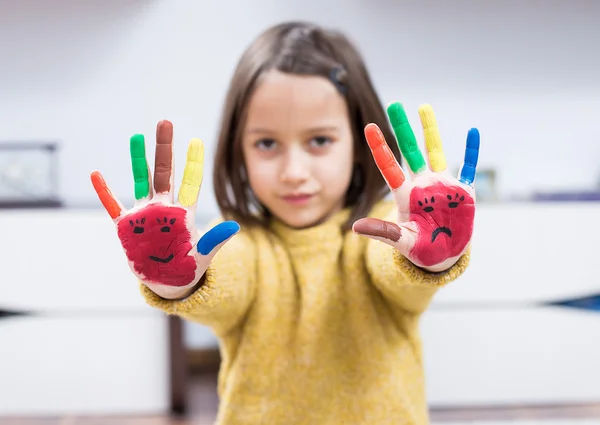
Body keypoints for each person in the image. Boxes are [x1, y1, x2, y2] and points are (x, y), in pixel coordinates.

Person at [91, 21, 480, 425]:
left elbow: (397, 273)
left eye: (319, 140)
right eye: (267, 143)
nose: (294, 171)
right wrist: (182, 280)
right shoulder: (240, 240)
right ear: (237, 149)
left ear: (358, 143)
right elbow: (225, 283)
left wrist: (433, 256)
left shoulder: (383, 231)